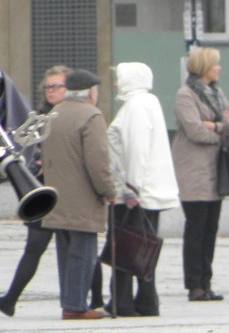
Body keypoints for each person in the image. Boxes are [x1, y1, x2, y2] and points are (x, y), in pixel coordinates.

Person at [0, 66, 106, 317]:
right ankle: (14, 299)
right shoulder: (36, 116)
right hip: (42, 193)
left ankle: (93, 300)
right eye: (48, 87)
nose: (51, 91)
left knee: (81, 246)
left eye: (57, 86)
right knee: (49, 247)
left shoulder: (65, 116)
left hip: (63, 193)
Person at [105, 62, 180, 316]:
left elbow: (136, 149)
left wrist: (130, 187)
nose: (116, 83)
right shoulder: (149, 102)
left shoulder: (134, 107)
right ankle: (146, 301)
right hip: (150, 192)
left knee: (125, 249)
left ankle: (123, 302)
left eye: (119, 78)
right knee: (141, 250)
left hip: (136, 193)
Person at [41, 69, 115, 320]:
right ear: (90, 92)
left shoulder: (55, 113)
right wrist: (108, 190)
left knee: (65, 253)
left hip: (57, 196)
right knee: (83, 254)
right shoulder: (91, 116)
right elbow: (98, 160)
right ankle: (75, 305)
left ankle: (69, 301)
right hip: (83, 197)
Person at [171, 47, 229, 302]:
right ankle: (194, 284)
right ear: (204, 66)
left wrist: (216, 125)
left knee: (211, 229)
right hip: (194, 172)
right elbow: (195, 131)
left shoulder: (216, 93)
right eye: (215, 64)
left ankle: (206, 282)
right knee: (196, 229)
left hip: (215, 171)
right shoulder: (185, 95)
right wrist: (220, 129)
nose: (219, 68)